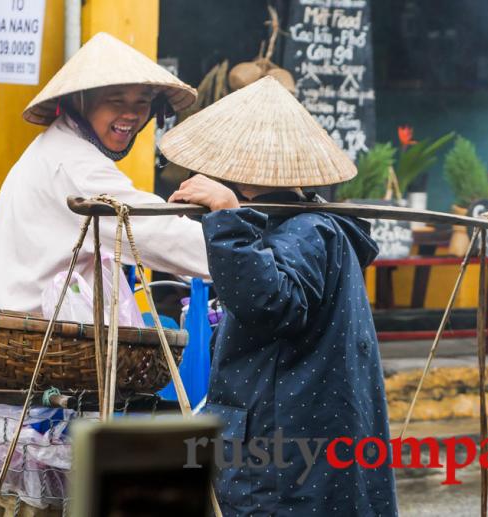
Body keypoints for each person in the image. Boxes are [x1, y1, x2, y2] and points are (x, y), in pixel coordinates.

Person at [162, 77, 397, 516]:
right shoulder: (302, 227)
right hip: (297, 442)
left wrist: (228, 217)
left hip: (281, 452)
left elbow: (271, 302)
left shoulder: (307, 231)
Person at [0, 33, 209, 313]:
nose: (131, 114)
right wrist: (238, 253)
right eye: (116, 100)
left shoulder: (60, 147)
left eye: (142, 102)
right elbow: (153, 231)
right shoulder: (74, 164)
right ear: (81, 101)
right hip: (20, 339)